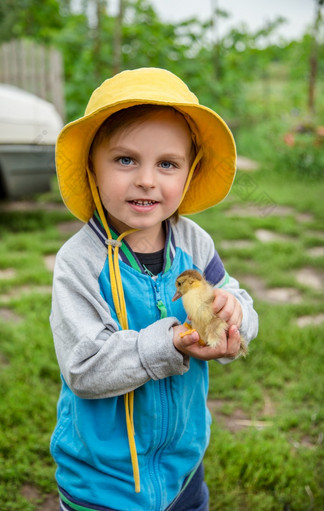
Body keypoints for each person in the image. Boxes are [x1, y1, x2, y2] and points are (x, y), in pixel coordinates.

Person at [50, 67, 258, 511]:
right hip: (104, 482)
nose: (147, 179)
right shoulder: (80, 262)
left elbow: (236, 296)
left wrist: (235, 312)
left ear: (190, 171)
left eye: (167, 164)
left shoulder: (194, 244)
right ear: (92, 167)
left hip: (183, 469)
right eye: (126, 160)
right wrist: (171, 344)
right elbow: (84, 367)